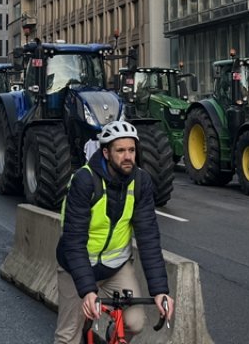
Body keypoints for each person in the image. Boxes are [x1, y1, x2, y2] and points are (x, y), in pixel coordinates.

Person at [54, 120, 174, 344]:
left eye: (131, 150)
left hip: (115, 268)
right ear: (106, 153)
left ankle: (111, 335)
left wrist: (160, 291)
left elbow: (148, 238)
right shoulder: (84, 181)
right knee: (68, 335)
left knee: (135, 323)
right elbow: (73, 241)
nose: (128, 156)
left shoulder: (140, 181)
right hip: (76, 267)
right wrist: (87, 290)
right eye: (120, 151)